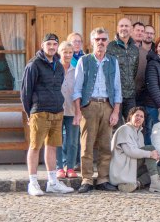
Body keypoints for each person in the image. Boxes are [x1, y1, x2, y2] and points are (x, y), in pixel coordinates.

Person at [20, 33, 75, 196]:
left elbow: (58, 88)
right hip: (39, 111)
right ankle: (33, 182)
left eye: (54, 44)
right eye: (49, 44)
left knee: (52, 146)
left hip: (57, 111)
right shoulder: (34, 64)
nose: (52, 47)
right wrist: (29, 113)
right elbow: (25, 92)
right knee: (35, 146)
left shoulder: (58, 65)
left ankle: (52, 182)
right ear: (42, 45)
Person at [72, 27, 122, 193]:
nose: (100, 42)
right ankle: (86, 179)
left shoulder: (113, 62)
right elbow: (77, 89)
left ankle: (102, 179)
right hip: (89, 106)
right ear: (92, 41)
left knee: (105, 145)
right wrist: (78, 111)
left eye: (103, 39)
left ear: (107, 42)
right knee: (86, 145)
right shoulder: (84, 61)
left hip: (107, 105)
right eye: (97, 39)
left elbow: (117, 89)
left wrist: (115, 111)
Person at [109, 107, 160, 193]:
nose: (139, 118)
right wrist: (150, 154)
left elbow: (141, 154)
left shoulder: (140, 134)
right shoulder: (124, 129)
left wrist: (153, 157)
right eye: (137, 115)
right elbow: (130, 151)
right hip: (123, 169)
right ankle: (155, 183)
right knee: (150, 149)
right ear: (130, 116)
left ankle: (135, 184)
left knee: (159, 169)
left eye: (142, 116)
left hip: (132, 167)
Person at [55, 40, 80, 180]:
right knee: (57, 140)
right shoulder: (54, 69)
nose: (68, 55)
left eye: (70, 52)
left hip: (72, 110)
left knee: (72, 141)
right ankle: (59, 167)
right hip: (57, 111)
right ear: (60, 53)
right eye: (65, 52)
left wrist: (78, 112)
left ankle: (70, 167)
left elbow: (78, 92)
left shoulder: (76, 71)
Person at [107, 18, 139, 122]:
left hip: (130, 95)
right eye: (121, 26)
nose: (124, 28)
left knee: (132, 124)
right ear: (117, 28)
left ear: (131, 29)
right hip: (114, 95)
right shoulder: (110, 47)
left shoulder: (134, 49)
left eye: (126, 26)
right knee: (115, 126)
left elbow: (135, 70)